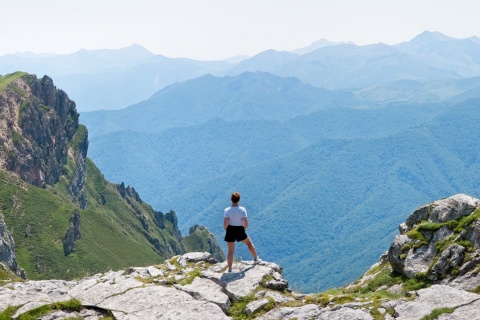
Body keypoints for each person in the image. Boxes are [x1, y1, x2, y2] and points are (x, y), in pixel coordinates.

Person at [224, 191, 260, 272]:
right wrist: (243, 229)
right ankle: (256, 259)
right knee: (249, 243)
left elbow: (225, 224)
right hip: (240, 229)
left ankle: (229, 270)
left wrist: (227, 230)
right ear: (239, 200)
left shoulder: (227, 210)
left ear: (231, 199)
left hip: (230, 229)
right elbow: (246, 223)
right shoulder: (243, 210)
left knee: (230, 251)